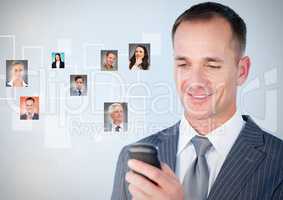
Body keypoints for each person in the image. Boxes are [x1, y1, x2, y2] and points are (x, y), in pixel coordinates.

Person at [112, 2, 283, 200]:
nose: (195, 81)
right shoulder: (132, 160)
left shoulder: (278, 163)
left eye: (211, 65)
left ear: (242, 71)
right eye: (184, 64)